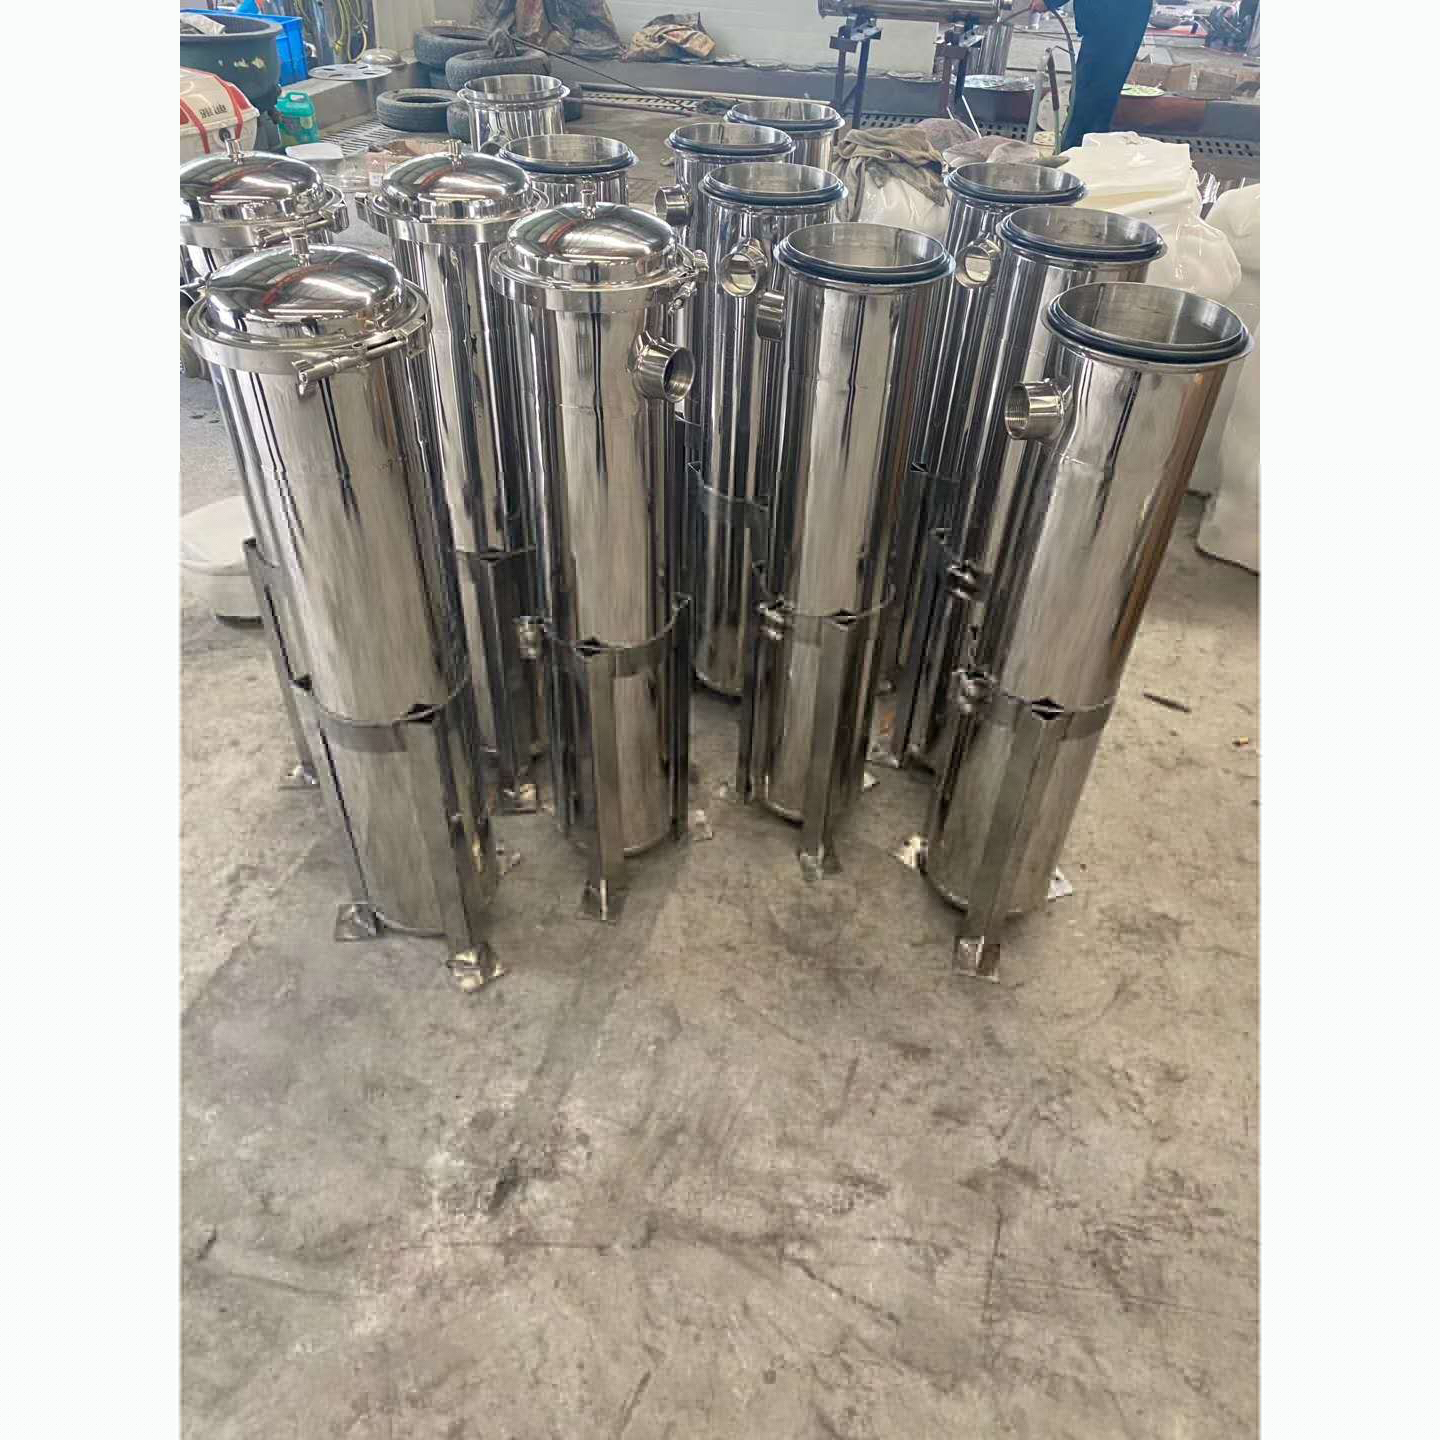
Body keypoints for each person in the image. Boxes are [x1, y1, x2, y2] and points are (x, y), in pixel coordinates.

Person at [1031, 0, 1155, 151]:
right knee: (1098, 99)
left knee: (1089, 101)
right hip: (1119, 18)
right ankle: (1085, 153)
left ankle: (1076, 157)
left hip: (1112, 19)